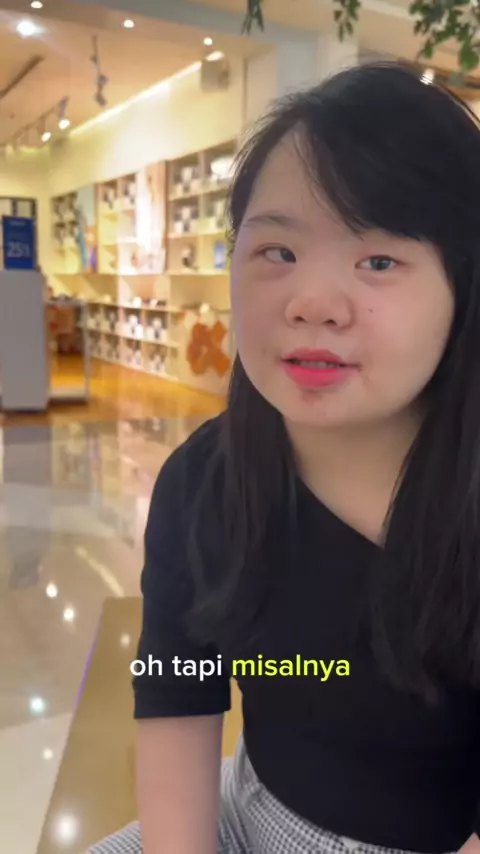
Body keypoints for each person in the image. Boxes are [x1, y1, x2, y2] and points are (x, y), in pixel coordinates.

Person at [86, 62, 480, 854]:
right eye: (277, 251)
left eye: (378, 262)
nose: (311, 304)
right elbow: (179, 693)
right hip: (246, 809)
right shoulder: (203, 479)